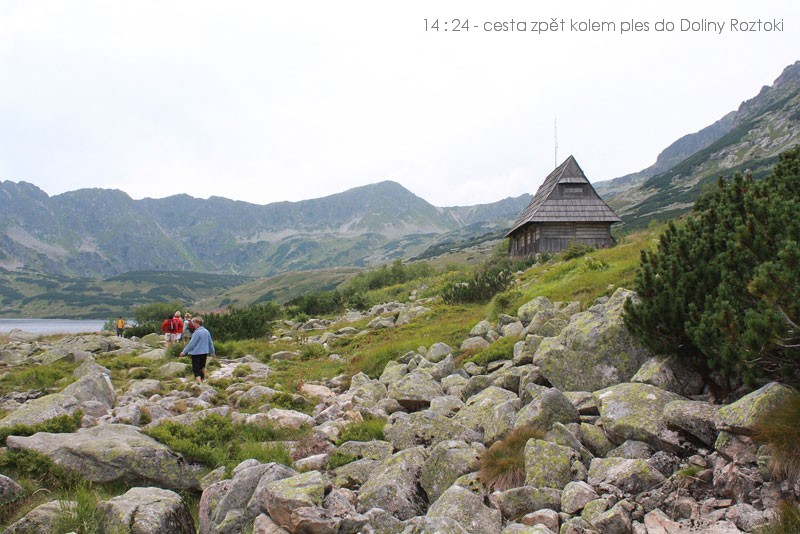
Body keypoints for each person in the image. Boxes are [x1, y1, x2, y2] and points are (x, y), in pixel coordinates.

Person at [180, 316, 215, 384]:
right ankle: (202, 381)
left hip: (196, 353)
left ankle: (199, 384)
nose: (192, 325)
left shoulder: (197, 332)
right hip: (205, 353)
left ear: (197, 323)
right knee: (202, 367)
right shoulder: (206, 331)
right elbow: (210, 343)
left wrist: (184, 352)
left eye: (193, 323)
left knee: (196, 369)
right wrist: (212, 353)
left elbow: (191, 344)